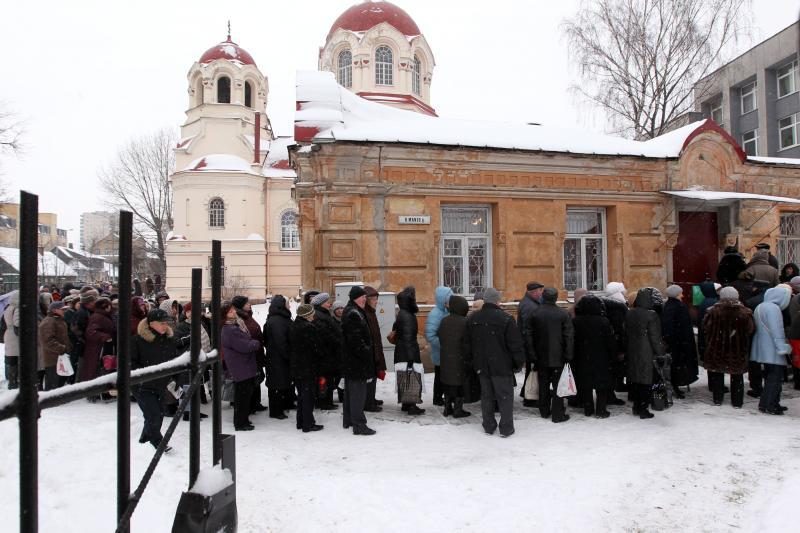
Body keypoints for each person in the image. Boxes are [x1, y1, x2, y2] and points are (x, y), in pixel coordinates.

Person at [463, 288, 524, 437]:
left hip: (482, 365)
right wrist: (518, 363)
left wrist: (472, 362)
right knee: (505, 397)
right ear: (498, 301)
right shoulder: (506, 319)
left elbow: (467, 344)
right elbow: (515, 345)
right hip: (502, 365)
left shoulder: (473, 319)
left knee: (487, 396)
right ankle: (506, 427)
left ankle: (489, 425)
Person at [131, 308, 179, 452]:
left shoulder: (168, 340)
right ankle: (158, 442)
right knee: (153, 414)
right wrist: (144, 376)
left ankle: (145, 437)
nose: (165, 326)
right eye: (162, 323)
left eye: (167, 323)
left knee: (158, 413)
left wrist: (174, 377)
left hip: (161, 384)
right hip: (142, 385)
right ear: (151, 324)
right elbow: (131, 363)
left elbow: (173, 359)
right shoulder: (138, 340)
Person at [703, 287, 754, 407]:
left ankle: (717, 399)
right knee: (737, 376)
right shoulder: (745, 312)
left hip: (717, 348)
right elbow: (750, 329)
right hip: (737, 349)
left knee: (717, 374)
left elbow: (706, 327)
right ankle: (737, 401)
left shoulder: (712, 311)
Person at [529, 287, 574, 423]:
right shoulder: (562, 314)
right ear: (555, 297)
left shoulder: (535, 313)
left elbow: (529, 336)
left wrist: (532, 354)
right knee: (558, 386)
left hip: (541, 356)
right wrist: (568, 355)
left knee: (543, 384)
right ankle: (558, 413)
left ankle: (544, 410)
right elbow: (568, 336)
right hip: (558, 356)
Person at [341, 286, 377, 435]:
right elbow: (356, 341)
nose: (364, 299)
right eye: (361, 297)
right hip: (356, 362)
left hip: (351, 361)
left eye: (364, 297)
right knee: (358, 394)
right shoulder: (353, 314)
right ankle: (359, 425)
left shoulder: (353, 311)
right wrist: (367, 352)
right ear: (355, 298)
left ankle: (349, 419)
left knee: (351, 392)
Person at [750, 287, 792, 415]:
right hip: (772, 348)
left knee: (769, 376)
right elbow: (777, 330)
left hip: (762, 346)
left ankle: (767, 403)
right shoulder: (774, 309)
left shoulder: (761, 306)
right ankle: (770, 404)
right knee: (775, 377)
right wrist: (782, 347)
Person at [221, 301, 261, 431]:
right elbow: (244, 346)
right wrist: (255, 343)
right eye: (230, 311)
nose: (234, 312)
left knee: (244, 395)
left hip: (243, 365)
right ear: (224, 315)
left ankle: (243, 420)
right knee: (242, 396)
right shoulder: (229, 329)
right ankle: (240, 423)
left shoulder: (235, 325)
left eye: (233, 310)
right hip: (240, 366)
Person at [626, 288, 665, 419]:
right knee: (646, 380)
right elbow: (655, 337)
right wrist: (660, 353)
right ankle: (643, 409)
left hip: (632, 349)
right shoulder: (651, 315)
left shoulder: (630, 313)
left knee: (636, 379)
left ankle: (636, 406)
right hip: (646, 351)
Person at [289, 304, 324, 432]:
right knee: (308, 397)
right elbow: (315, 349)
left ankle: (301, 421)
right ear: (308, 315)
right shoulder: (308, 328)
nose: (314, 315)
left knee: (302, 396)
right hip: (307, 367)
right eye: (312, 313)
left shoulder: (295, 325)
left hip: (297, 367)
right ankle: (308, 424)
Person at [231, 296, 268, 414]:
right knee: (249, 382)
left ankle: (255, 403)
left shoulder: (248, 315)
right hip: (248, 353)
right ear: (241, 305)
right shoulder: (238, 318)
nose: (249, 304)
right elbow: (244, 336)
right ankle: (249, 406)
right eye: (247, 303)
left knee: (256, 379)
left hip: (255, 352)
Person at [661, 285, 698, 398]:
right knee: (678, 364)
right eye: (680, 293)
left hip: (674, 342)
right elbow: (682, 326)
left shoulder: (668, 306)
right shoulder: (679, 307)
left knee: (674, 364)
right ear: (676, 294)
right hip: (680, 342)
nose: (682, 295)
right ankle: (676, 387)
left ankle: (675, 386)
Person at [437, 294, 471, 417]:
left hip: (446, 358)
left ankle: (447, 408)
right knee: (459, 385)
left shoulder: (444, 320)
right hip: (459, 358)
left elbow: (440, 336)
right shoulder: (465, 322)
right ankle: (458, 409)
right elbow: (468, 342)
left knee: (448, 383)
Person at [394, 286, 425, 415]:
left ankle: (406, 403)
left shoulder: (402, 312)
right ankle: (411, 405)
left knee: (405, 376)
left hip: (402, 351)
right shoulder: (407, 315)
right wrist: (411, 358)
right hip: (407, 351)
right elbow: (408, 338)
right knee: (411, 376)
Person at [263, 295, 293, 419]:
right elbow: (281, 342)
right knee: (277, 384)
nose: (290, 306)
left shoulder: (279, 318)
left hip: (277, 357)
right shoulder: (277, 321)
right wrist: (288, 355)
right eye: (287, 303)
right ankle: (276, 411)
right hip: (278, 359)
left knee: (282, 383)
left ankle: (283, 406)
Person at [311, 292, 342, 410]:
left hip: (328, 354)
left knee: (328, 379)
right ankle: (323, 402)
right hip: (325, 355)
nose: (330, 304)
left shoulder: (323, 314)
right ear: (321, 304)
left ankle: (326, 401)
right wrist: (335, 340)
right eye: (327, 302)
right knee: (324, 379)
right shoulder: (319, 315)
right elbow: (325, 335)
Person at [425, 285, 453, 406]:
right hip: (440, 352)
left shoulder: (447, 311)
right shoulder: (435, 314)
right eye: (448, 298)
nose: (450, 301)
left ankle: (444, 397)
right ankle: (437, 398)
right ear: (442, 299)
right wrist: (445, 344)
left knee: (445, 375)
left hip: (447, 352)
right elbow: (430, 335)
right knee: (439, 376)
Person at [517, 281, 543, 408]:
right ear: (533, 292)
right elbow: (528, 329)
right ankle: (530, 398)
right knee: (532, 370)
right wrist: (531, 348)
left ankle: (527, 394)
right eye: (539, 291)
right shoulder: (529, 306)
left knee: (531, 370)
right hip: (530, 344)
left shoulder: (530, 303)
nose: (541, 294)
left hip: (529, 343)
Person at [81, 297, 115, 386]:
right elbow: (90, 332)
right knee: (97, 368)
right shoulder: (98, 317)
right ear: (106, 307)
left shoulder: (103, 316)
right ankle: (95, 390)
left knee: (103, 366)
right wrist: (105, 336)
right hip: (98, 348)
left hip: (101, 346)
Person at [362, 287, 386, 412]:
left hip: (374, 349)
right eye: (374, 299)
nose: (376, 302)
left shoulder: (371, 312)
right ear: (367, 300)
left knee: (374, 376)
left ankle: (371, 398)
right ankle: (368, 402)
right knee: (370, 377)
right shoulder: (366, 313)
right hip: (371, 351)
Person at [38, 301, 71, 390]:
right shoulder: (49, 321)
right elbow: (47, 341)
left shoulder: (58, 320)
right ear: (54, 310)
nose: (65, 311)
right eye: (62, 309)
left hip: (60, 356)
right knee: (53, 383)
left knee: (59, 381)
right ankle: (49, 402)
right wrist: (62, 348)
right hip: (53, 358)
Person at [3, 290, 20, 389]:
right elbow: (17, 323)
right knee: (16, 360)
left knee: (11, 360)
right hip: (15, 337)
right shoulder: (17, 308)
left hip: (9, 334)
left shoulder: (8, 308)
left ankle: (12, 382)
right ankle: (15, 383)